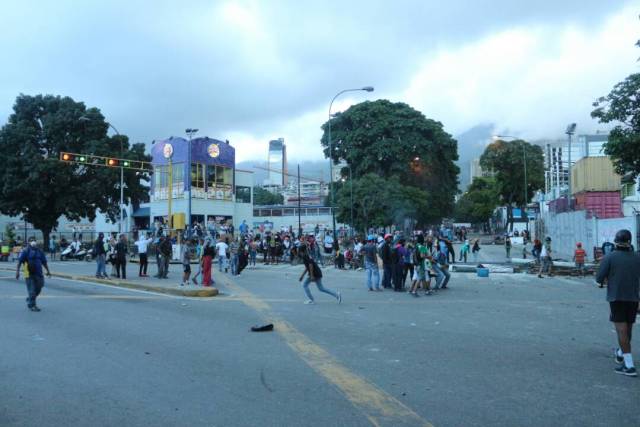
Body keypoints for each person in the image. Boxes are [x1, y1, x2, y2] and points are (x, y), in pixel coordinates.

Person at [596, 229, 640, 377]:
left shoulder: (610, 257)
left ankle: (629, 365)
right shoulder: (637, 257)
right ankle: (621, 353)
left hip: (617, 298)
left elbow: (599, 278)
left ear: (616, 241)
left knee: (621, 330)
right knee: (628, 328)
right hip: (634, 298)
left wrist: (604, 280)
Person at [16, 238, 51, 312]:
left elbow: (44, 262)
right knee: (32, 290)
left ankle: (30, 299)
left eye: (34, 240)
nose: (33, 242)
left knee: (39, 288)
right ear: (28, 242)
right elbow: (19, 262)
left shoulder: (39, 251)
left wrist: (48, 271)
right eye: (31, 240)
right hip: (29, 273)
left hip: (39, 273)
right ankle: (32, 305)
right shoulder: (25, 251)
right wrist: (17, 272)